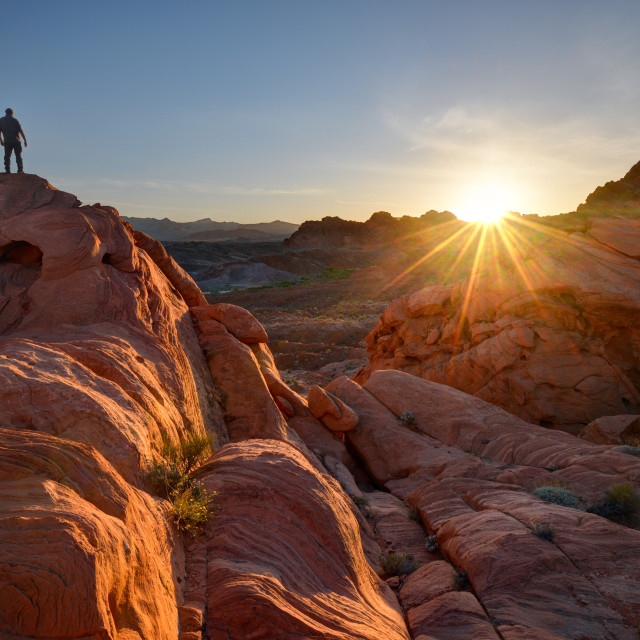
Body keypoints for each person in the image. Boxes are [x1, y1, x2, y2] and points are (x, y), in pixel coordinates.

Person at [0, 108, 27, 174]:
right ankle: (20, 170)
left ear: (6, 113)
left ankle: (7, 170)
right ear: (12, 113)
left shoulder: (1, 120)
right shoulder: (15, 120)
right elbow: (21, 131)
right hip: (16, 141)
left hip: (7, 141)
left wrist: (1, 141)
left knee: (7, 155)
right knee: (18, 155)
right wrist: (25, 140)